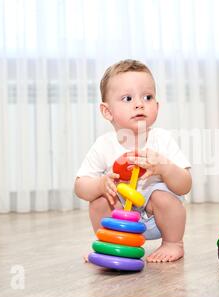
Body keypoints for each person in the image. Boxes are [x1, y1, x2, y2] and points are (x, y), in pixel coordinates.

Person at [74, 59, 192, 263]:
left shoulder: (162, 139)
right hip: (121, 219)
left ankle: (173, 244)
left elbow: (185, 185)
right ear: (107, 111)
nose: (139, 103)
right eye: (127, 98)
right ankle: (113, 244)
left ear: (157, 105)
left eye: (147, 97)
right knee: (99, 200)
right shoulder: (104, 145)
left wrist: (164, 167)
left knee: (163, 197)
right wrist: (101, 185)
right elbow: (80, 186)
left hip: (157, 219)